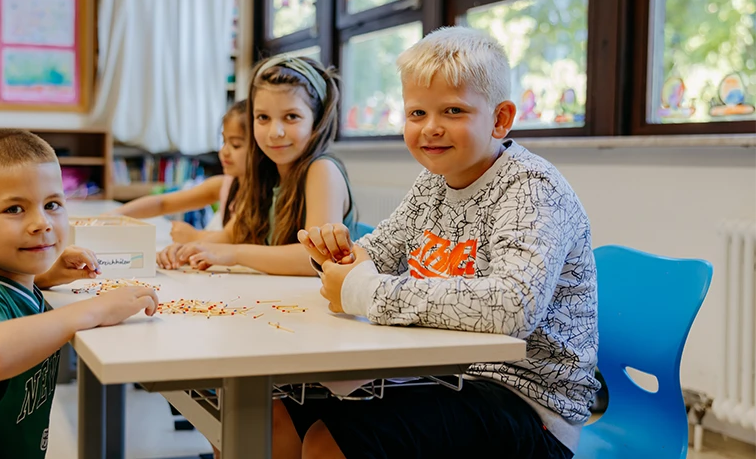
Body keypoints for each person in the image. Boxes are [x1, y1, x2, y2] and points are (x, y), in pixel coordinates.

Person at [285, 26, 599, 459]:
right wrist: (339, 254)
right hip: (447, 372)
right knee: (280, 413)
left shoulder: (531, 188)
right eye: (417, 114)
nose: (431, 128)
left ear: (500, 119)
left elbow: (513, 306)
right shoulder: (434, 181)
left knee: (330, 441)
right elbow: (381, 252)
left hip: (528, 405)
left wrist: (361, 288)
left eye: (453, 111)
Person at [0, 129, 159, 459]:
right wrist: (93, 311)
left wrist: (42, 276)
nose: (41, 223)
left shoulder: (6, 280)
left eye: (53, 204)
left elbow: (3, 296)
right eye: (14, 209)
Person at [156, 56, 356, 276]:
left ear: (317, 121)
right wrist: (186, 251)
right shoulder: (263, 172)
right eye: (263, 117)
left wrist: (233, 253)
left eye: (291, 117)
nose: (275, 132)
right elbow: (230, 236)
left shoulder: (322, 170)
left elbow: (316, 258)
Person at [109, 100, 248, 243]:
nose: (224, 151)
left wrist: (195, 237)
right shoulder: (225, 185)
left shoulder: (257, 196)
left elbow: (231, 238)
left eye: (236, 145)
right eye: (224, 142)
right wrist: (115, 215)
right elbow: (162, 202)